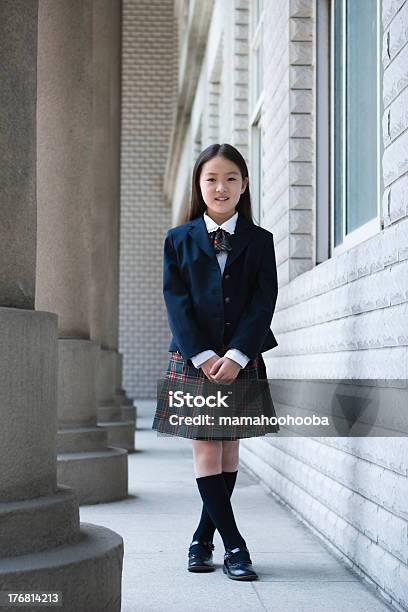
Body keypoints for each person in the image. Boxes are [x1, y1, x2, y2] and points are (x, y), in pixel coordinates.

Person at [152, 143, 280, 581]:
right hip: (195, 360)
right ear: (199, 186)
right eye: (211, 179)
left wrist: (239, 355)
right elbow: (176, 303)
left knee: (228, 451)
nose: (221, 187)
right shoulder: (178, 240)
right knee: (208, 449)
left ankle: (202, 539)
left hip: (243, 358)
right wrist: (205, 357)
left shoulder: (261, 241)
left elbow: (264, 302)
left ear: (244, 185)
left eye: (230, 178)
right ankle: (236, 547)